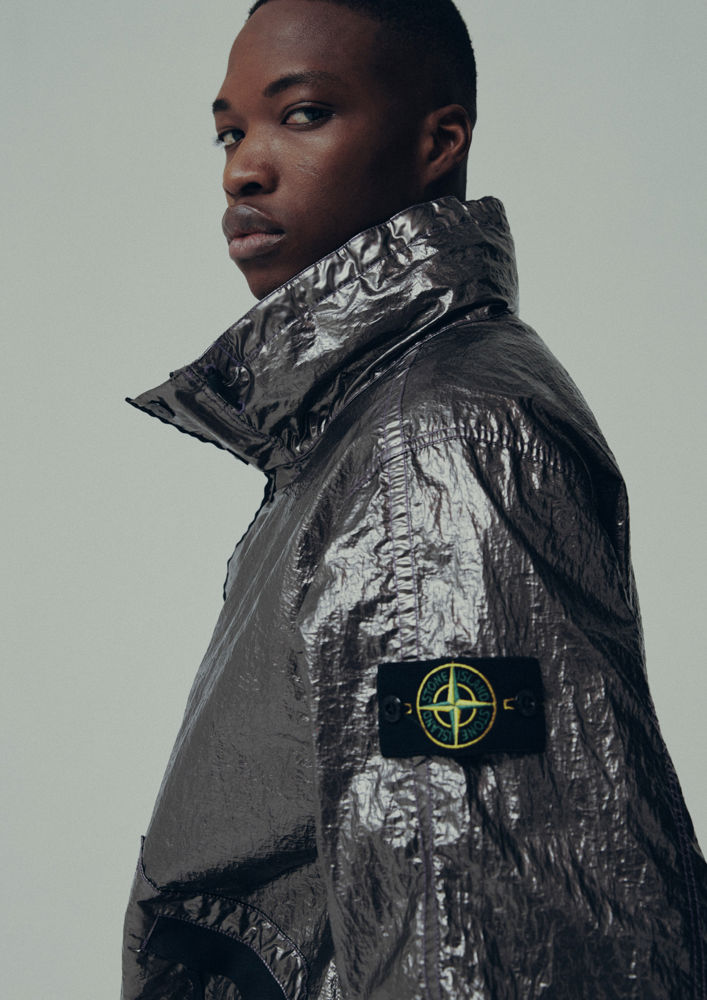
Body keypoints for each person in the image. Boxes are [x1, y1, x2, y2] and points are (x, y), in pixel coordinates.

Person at [121, 1, 706, 997]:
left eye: (302, 114)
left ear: (437, 143)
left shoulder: (432, 443)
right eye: (228, 132)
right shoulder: (364, 425)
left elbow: (481, 939)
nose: (242, 169)